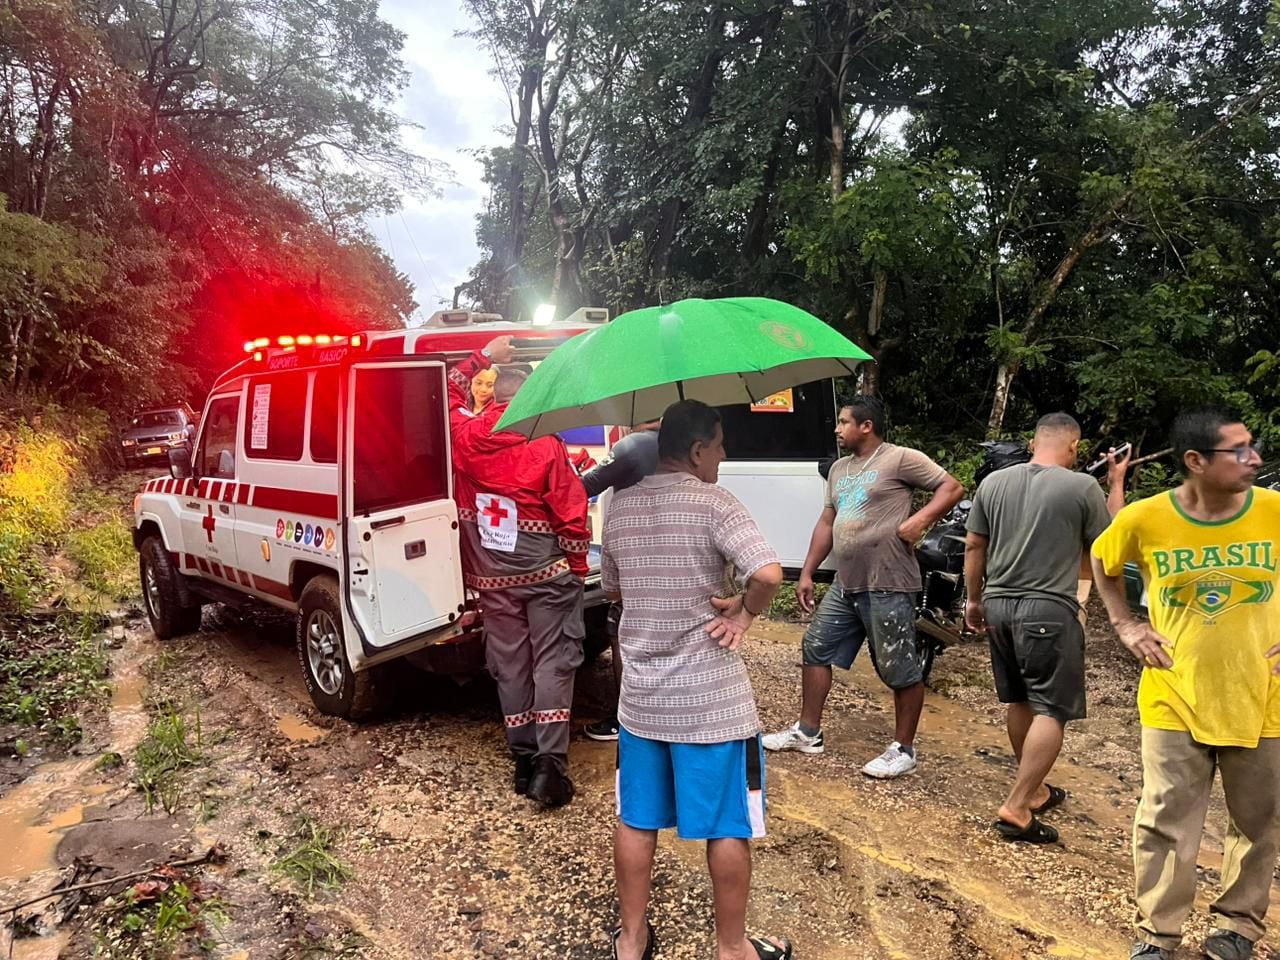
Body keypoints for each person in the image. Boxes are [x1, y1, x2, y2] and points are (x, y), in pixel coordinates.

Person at [604, 400, 790, 960]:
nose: (724, 455)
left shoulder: (619, 508)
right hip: (712, 704)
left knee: (636, 819)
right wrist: (744, 612)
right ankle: (732, 949)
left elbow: (614, 590)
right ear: (697, 450)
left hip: (641, 700)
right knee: (726, 824)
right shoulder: (715, 504)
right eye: (720, 444)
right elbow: (767, 573)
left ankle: (632, 941)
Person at [1091, 409, 1278, 960]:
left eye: (1254, 446)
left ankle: (1238, 928)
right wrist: (1126, 624)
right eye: (1239, 451)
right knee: (1166, 819)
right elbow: (1104, 562)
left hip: (1263, 695)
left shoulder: (1274, 512)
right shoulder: (1146, 519)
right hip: (1174, 692)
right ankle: (1157, 934)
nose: (1256, 460)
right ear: (1195, 462)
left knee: (1258, 820)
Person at [763, 397, 964, 778]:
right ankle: (809, 732)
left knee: (898, 667)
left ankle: (903, 749)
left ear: (866, 426)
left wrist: (919, 521)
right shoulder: (839, 469)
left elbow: (952, 488)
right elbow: (828, 522)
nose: (837, 429)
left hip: (887, 580)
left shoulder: (900, 458)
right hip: (847, 582)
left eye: (843, 422)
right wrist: (807, 572)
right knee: (816, 647)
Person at [447, 336, 592, 808]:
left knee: (510, 665)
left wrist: (482, 356)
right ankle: (551, 767)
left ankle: (523, 759)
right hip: (546, 574)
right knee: (552, 660)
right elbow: (572, 515)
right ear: (530, 398)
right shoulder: (544, 444)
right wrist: (575, 566)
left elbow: (448, 393)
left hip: (493, 579)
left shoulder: (464, 438)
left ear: (493, 394)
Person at [962, 413, 1113, 844]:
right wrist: (1116, 484)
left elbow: (975, 545)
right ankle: (1018, 804)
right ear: (1074, 448)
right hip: (1048, 609)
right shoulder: (1082, 486)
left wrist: (974, 599)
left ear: (1033, 442)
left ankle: (1037, 789)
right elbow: (1106, 545)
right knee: (1052, 708)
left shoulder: (993, 483)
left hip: (999, 606)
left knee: (1020, 700)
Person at [580, 421, 661, 742]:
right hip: (676, 552)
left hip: (637, 553)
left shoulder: (632, 445)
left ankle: (627, 719)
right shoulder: (684, 445)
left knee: (622, 634)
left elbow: (586, 486)